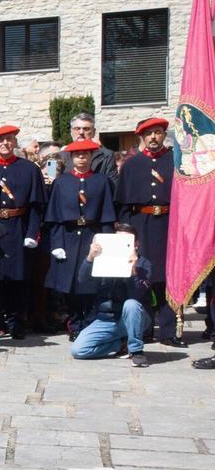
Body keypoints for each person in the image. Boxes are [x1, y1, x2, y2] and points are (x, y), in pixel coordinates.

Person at [0, 125, 45, 339]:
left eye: (9, 139)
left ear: (15, 142)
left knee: (17, 279)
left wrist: (32, 233)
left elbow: (36, 207)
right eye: (1, 140)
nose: (5, 143)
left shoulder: (30, 169)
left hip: (17, 226)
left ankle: (16, 322)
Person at [115, 117, 182, 346]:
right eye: (149, 134)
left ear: (164, 135)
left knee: (168, 279)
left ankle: (168, 332)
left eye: (158, 132)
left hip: (168, 224)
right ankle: (143, 330)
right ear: (141, 138)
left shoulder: (175, 161)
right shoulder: (131, 165)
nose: (153, 137)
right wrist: (126, 234)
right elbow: (122, 204)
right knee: (141, 278)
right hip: (140, 223)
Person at [44, 140, 116, 339]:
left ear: (91, 157)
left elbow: (107, 216)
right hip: (68, 236)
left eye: (85, 154)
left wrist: (108, 242)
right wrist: (57, 244)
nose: (81, 158)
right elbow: (55, 218)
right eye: (77, 155)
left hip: (92, 236)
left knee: (91, 284)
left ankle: (90, 322)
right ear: (71, 158)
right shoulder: (62, 182)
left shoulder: (101, 181)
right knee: (71, 285)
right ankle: (75, 324)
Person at [69, 224, 151, 367]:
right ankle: (119, 345)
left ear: (136, 244)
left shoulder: (144, 264)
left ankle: (136, 351)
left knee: (131, 304)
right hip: (106, 319)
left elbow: (137, 294)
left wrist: (132, 271)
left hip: (133, 318)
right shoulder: (104, 259)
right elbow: (82, 280)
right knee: (78, 350)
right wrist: (90, 257)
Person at [68, 113, 117, 180]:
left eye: (86, 129)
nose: (81, 132)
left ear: (93, 132)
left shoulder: (107, 156)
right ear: (71, 132)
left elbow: (112, 184)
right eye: (77, 128)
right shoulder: (61, 156)